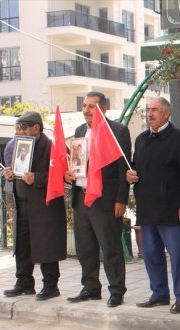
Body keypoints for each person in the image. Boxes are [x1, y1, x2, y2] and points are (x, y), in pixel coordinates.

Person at [126, 97, 180, 314]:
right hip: (147, 209)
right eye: (148, 110)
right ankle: (159, 294)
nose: (150, 113)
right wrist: (129, 175)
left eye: (154, 110)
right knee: (150, 254)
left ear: (166, 113)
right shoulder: (141, 139)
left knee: (178, 256)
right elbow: (135, 167)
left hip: (173, 210)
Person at [64, 91, 131, 308]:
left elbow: (123, 169)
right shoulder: (80, 130)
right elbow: (77, 162)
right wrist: (69, 175)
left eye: (91, 107)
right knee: (85, 248)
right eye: (84, 106)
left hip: (105, 200)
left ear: (103, 109)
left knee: (110, 247)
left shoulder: (118, 131)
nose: (86, 110)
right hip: (81, 197)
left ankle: (117, 291)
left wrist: (121, 200)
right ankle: (91, 288)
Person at [2, 112, 67, 301]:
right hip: (22, 203)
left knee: (45, 245)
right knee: (22, 245)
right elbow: (17, 170)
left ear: (36, 128)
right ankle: (24, 283)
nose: (19, 132)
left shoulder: (51, 146)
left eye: (23, 128)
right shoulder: (20, 145)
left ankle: (50, 285)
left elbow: (63, 174)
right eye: (17, 128)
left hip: (44, 205)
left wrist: (36, 178)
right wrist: (9, 174)